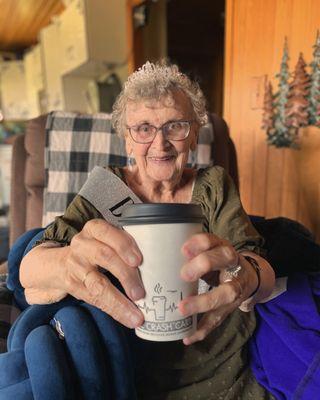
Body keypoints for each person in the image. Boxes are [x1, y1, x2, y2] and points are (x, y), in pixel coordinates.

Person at [20, 61, 276, 399]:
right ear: (127, 140)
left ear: (194, 135)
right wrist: (68, 264)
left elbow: (258, 265)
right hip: (132, 374)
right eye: (143, 128)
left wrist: (245, 276)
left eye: (175, 126)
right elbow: (30, 268)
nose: (160, 144)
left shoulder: (213, 184)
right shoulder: (106, 189)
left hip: (227, 371)